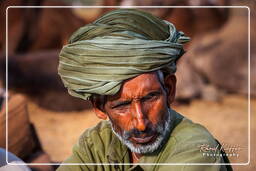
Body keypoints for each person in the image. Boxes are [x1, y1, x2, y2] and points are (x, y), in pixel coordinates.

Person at [57, 9, 232, 171]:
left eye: (150, 98)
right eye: (122, 105)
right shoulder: (96, 143)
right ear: (99, 108)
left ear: (169, 89)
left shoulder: (195, 149)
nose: (141, 123)